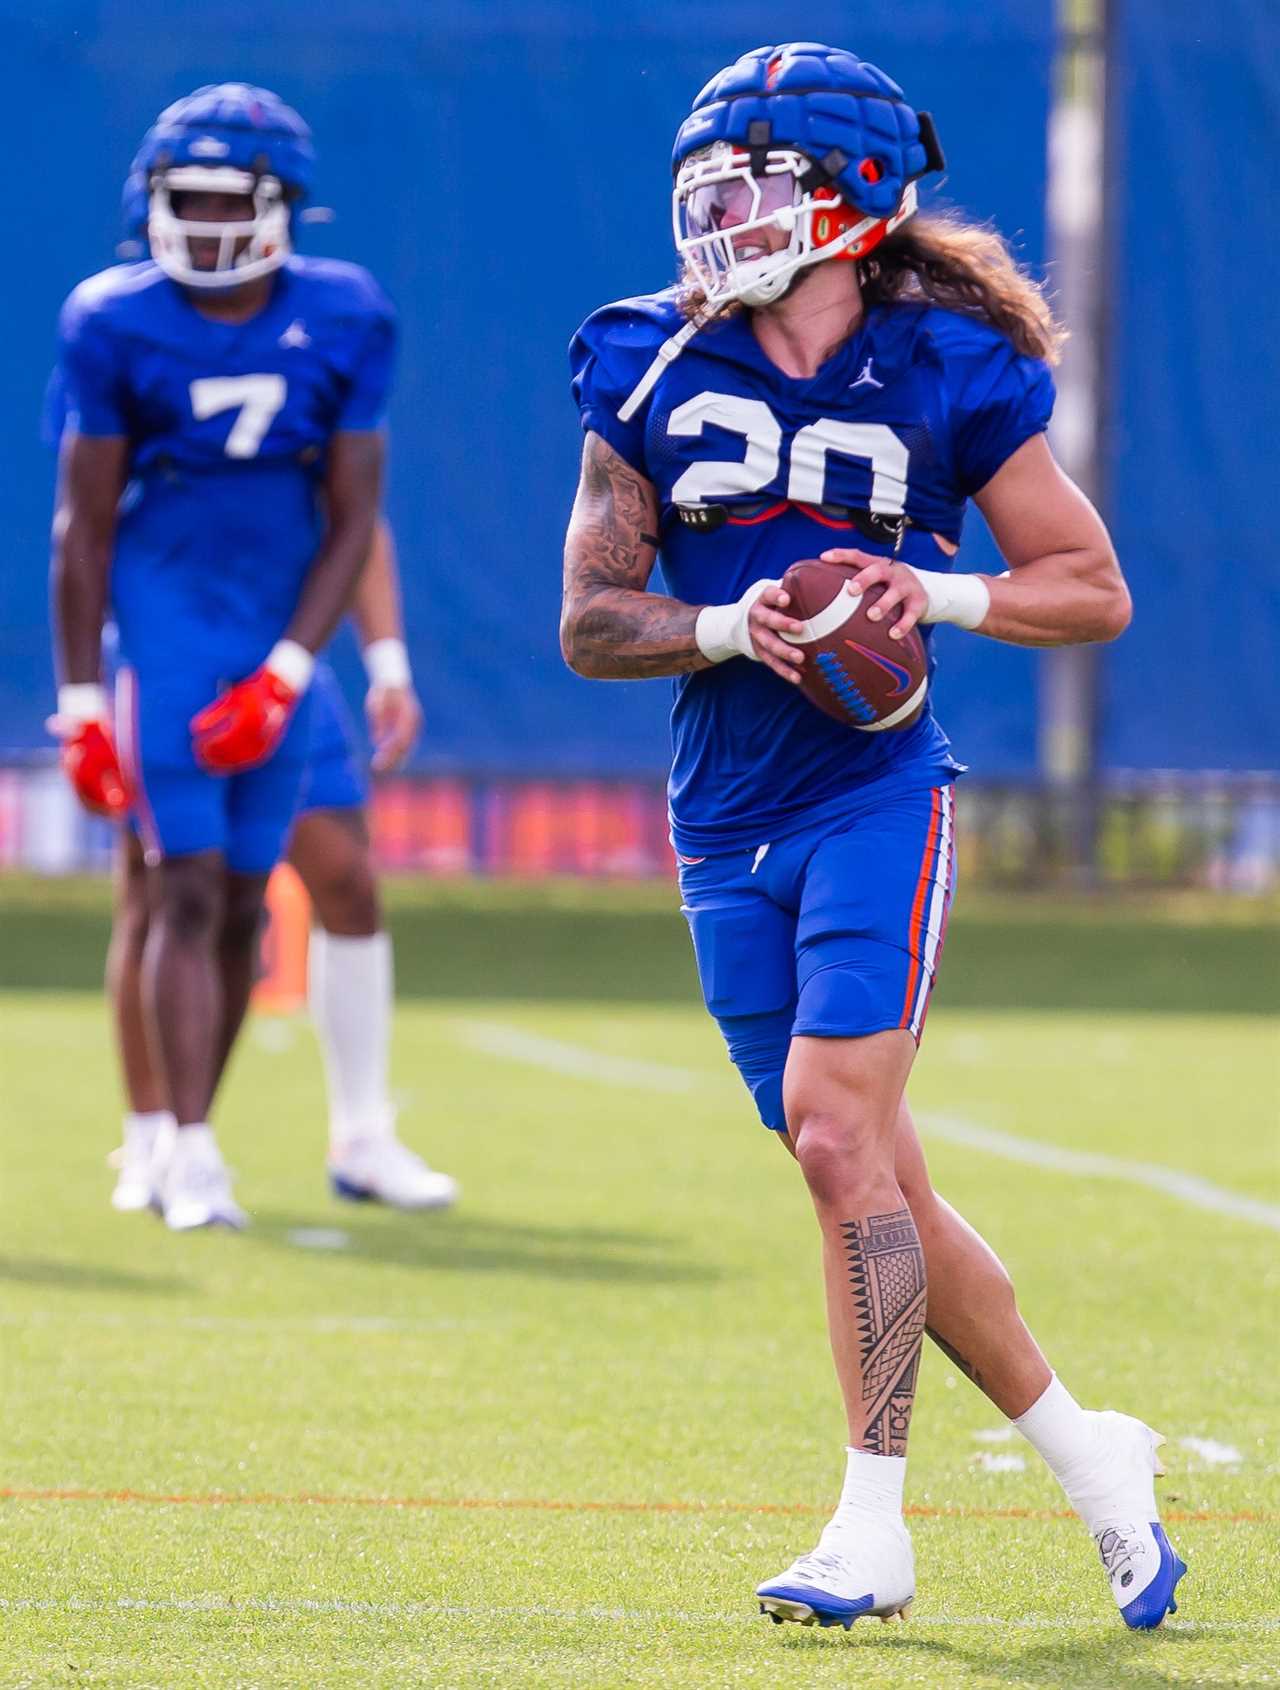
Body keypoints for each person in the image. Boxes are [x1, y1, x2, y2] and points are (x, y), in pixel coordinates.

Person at [562, 42, 1184, 1631]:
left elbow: (1090, 583)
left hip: (875, 792)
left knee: (839, 1140)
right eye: (705, 185)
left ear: (853, 200)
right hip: (723, 815)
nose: (720, 214)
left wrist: (942, 589)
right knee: (866, 1169)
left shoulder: (947, 366)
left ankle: (871, 1527)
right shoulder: (646, 360)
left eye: (753, 183)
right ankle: (1091, 1450)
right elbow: (588, 619)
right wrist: (725, 627)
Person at [49, 83, 398, 1230]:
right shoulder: (111, 316)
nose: (200, 223)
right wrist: (82, 699)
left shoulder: (346, 313)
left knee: (250, 895)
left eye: (223, 199)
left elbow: (356, 515)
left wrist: (300, 668)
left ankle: (202, 1131)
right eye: (181, 199)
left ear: (280, 206)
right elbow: (84, 523)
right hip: (168, 613)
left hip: (275, 619)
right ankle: (179, 1146)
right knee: (176, 882)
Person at [105, 517, 459, 1216]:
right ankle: (152, 1138)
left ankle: (361, 1138)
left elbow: (356, 519)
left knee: (348, 880)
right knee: (161, 897)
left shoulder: (318, 407)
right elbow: (90, 520)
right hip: (169, 650)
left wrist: (388, 665)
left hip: (281, 665)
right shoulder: (146, 407)